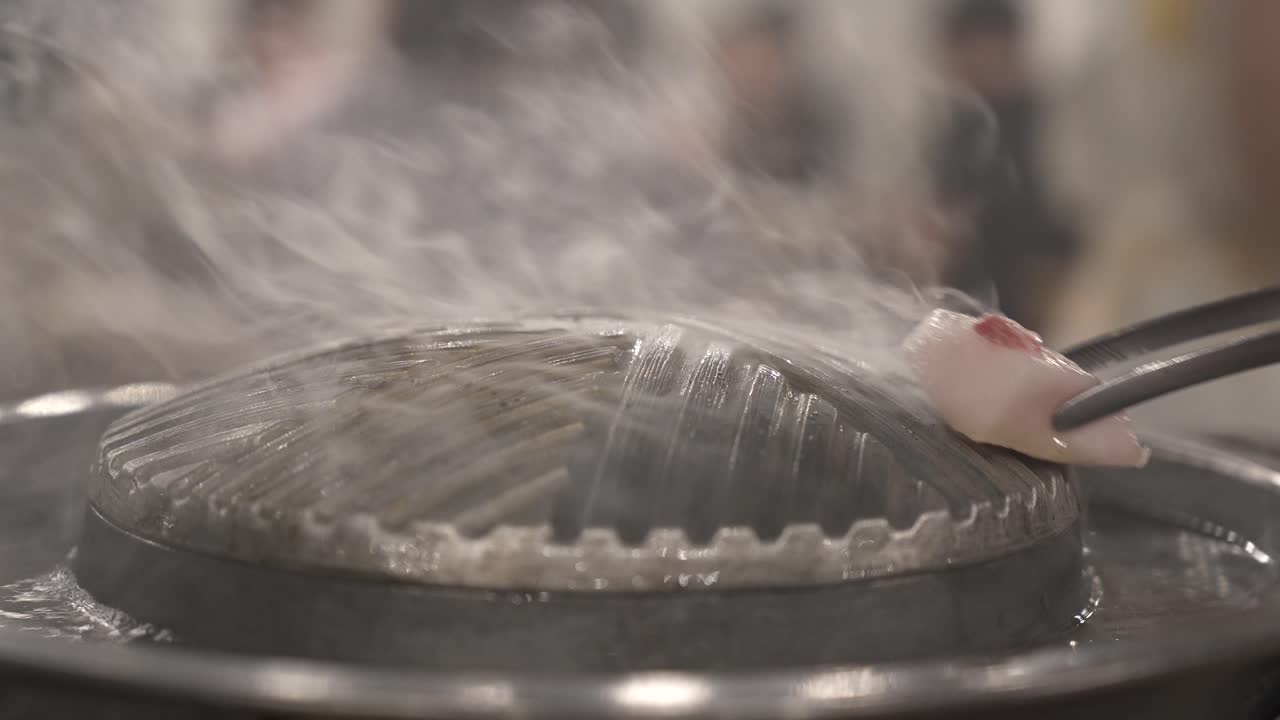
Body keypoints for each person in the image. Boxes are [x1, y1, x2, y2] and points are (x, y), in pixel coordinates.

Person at [936, 0, 1078, 330]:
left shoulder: (1048, 121)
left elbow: (1065, 217)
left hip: (1038, 293)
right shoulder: (961, 122)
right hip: (969, 298)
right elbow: (944, 200)